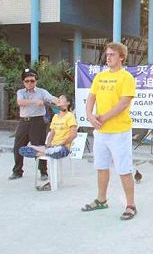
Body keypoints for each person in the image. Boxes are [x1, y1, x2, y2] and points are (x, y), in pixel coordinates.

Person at [82, 42, 137, 220]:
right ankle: (101, 200)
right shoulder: (100, 77)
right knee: (101, 166)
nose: (108, 57)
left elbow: (123, 103)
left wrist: (103, 117)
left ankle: (130, 205)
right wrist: (90, 115)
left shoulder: (126, 77)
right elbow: (91, 98)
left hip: (119, 131)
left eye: (112, 54)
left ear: (121, 57)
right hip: (101, 132)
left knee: (124, 169)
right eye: (107, 54)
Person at [19, 95, 77, 191]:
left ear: (68, 103)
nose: (58, 100)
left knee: (56, 151)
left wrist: (60, 144)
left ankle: (43, 151)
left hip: (63, 148)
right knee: (23, 150)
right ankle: (46, 151)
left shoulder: (70, 116)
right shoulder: (55, 117)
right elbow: (51, 134)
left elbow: (73, 135)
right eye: (58, 98)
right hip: (52, 147)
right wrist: (48, 144)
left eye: (61, 99)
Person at [9, 68, 57, 180]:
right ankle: (17, 171)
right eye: (27, 81)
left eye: (32, 80)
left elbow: (51, 98)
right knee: (18, 147)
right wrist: (35, 102)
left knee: (39, 147)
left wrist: (60, 101)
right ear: (23, 82)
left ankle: (43, 172)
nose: (30, 83)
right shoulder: (20, 92)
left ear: (36, 81)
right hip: (24, 122)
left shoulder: (42, 92)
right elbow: (20, 102)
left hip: (38, 122)